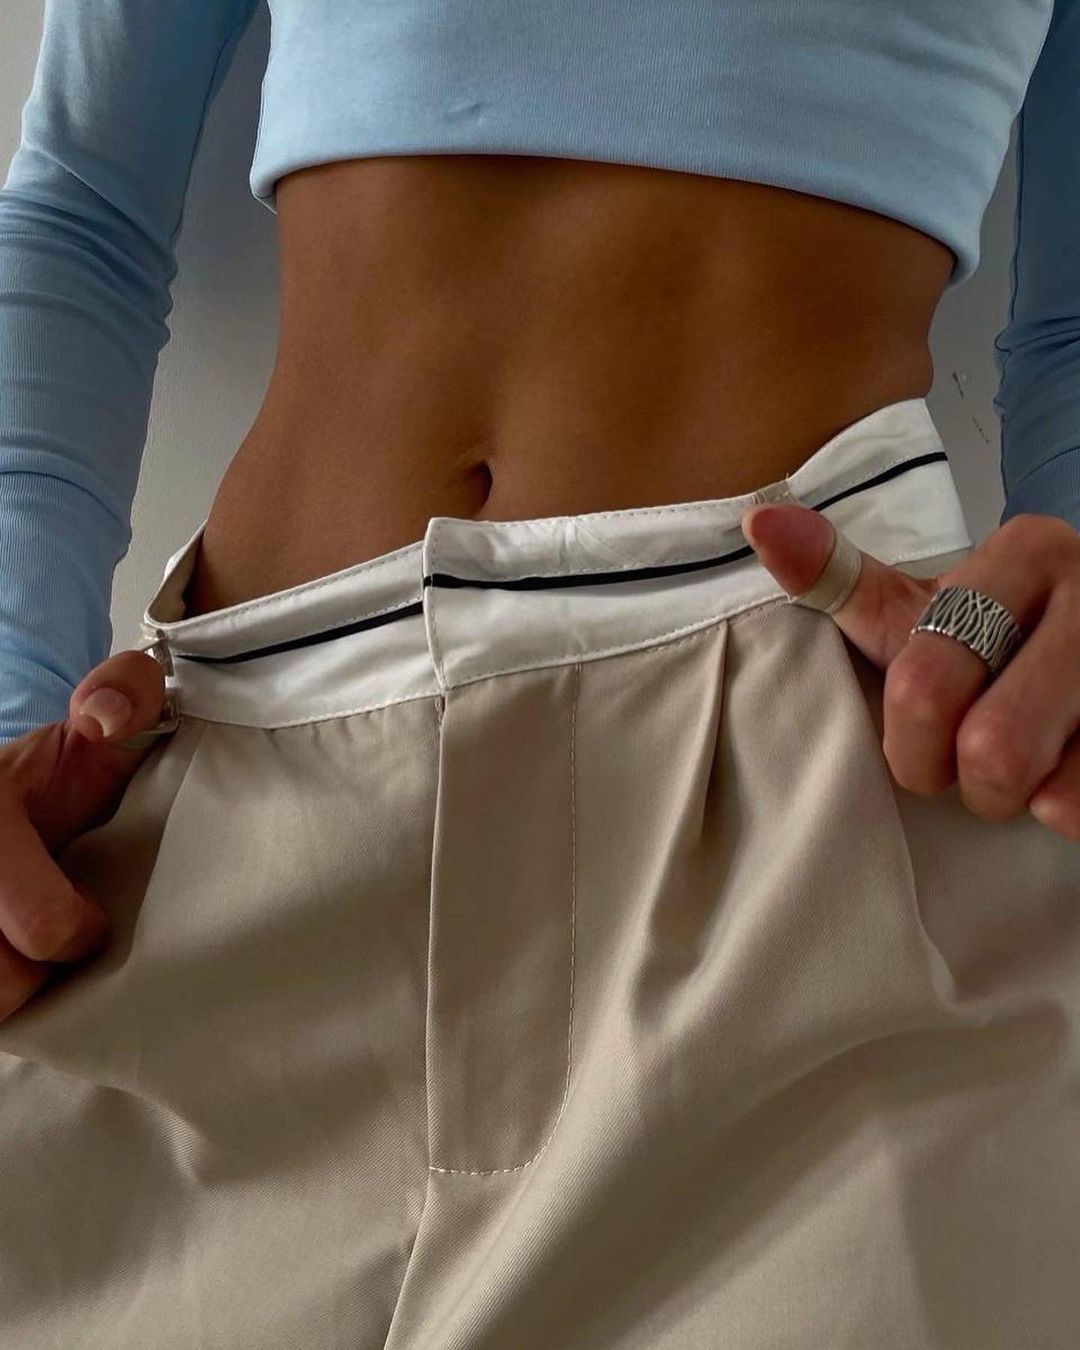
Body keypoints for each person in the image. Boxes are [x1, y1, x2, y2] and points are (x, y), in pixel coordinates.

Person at [0, 2, 1078, 1347]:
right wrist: (10, 715)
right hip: (216, 824)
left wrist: (1052, 663)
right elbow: (81, 216)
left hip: (830, 824)